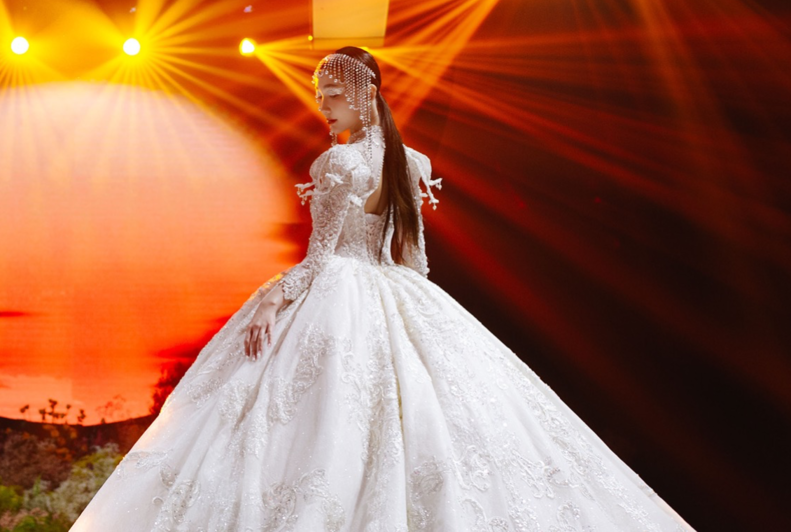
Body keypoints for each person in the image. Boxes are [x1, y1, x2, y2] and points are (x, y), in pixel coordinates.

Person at [68, 47, 696, 532]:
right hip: (396, 290)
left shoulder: (336, 163)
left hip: (339, 287)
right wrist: (417, 323)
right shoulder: (412, 161)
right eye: (320, 95)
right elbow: (414, 260)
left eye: (335, 95)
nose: (324, 106)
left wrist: (270, 299)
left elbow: (319, 259)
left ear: (366, 93)